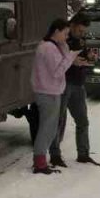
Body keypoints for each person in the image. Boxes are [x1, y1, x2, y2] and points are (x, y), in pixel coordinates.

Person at [50, 12, 100, 167]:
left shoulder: (81, 40)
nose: (82, 34)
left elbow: (84, 56)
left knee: (82, 121)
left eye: (84, 32)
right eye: (80, 30)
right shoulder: (62, 39)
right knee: (58, 120)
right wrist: (73, 62)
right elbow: (55, 60)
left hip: (78, 84)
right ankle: (55, 155)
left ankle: (83, 154)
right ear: (72, 25)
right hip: (63, 83)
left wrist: (90, 57)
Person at [31, 19, 80, 174]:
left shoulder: (51, 47)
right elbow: (58, 71)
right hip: (48, 92)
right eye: (65, 34)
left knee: (51, 129)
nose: (66, 37)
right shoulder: (48, 48)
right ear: (57, 31)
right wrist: (71, 56)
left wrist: (65, 49)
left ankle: (41, 161)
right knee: (47, 129)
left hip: (50, 91)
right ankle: (39, 163)